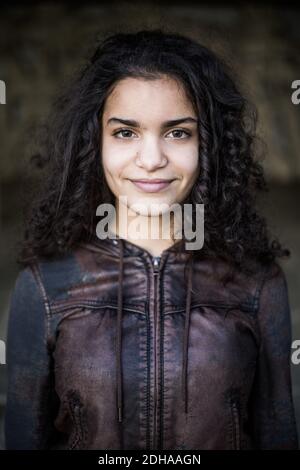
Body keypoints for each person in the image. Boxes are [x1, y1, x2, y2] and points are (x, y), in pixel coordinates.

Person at [4, 29, 298, 450]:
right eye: (126, 132)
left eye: (178, 132)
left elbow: (278, 435)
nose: (152, 159)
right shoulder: (44, 285)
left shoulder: (257, 283)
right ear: (95, 143)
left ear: (208, 145)